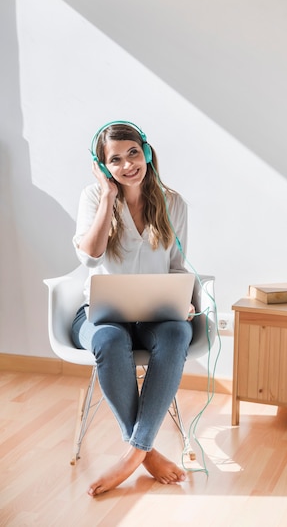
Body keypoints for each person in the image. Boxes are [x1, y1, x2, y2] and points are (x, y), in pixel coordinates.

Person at [71, 120, 195, 497]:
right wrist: (109, 197)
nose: (127, 165)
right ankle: (144, 452)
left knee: (177, 333)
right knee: (109, 341)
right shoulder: (94, 197)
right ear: (102, 165)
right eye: (115, 159)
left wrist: (183, 300)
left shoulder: (173, 203)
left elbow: (177, 267)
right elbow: (91, 257)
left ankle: (132, 454)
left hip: (153, 317)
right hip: (100, 315)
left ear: (147, 152)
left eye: (133, 153)